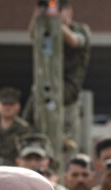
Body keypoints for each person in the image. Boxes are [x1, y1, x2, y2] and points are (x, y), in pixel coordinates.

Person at [28, 0, 91, 151]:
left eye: (60, 9)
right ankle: (28, 131)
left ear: (70, 11)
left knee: (50, 96)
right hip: (48, 81)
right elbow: (33, 35)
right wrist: (37, 16)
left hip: (70, 84)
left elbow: (75, 41)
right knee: (36, 96)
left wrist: (57, 22)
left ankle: (63, 137)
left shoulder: (80, 29)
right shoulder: (47, 27)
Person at [0, 87, 33, 166]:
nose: (7, 107)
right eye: (4, 104)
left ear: (18, 106)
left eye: (11, 104)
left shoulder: (26, 132)